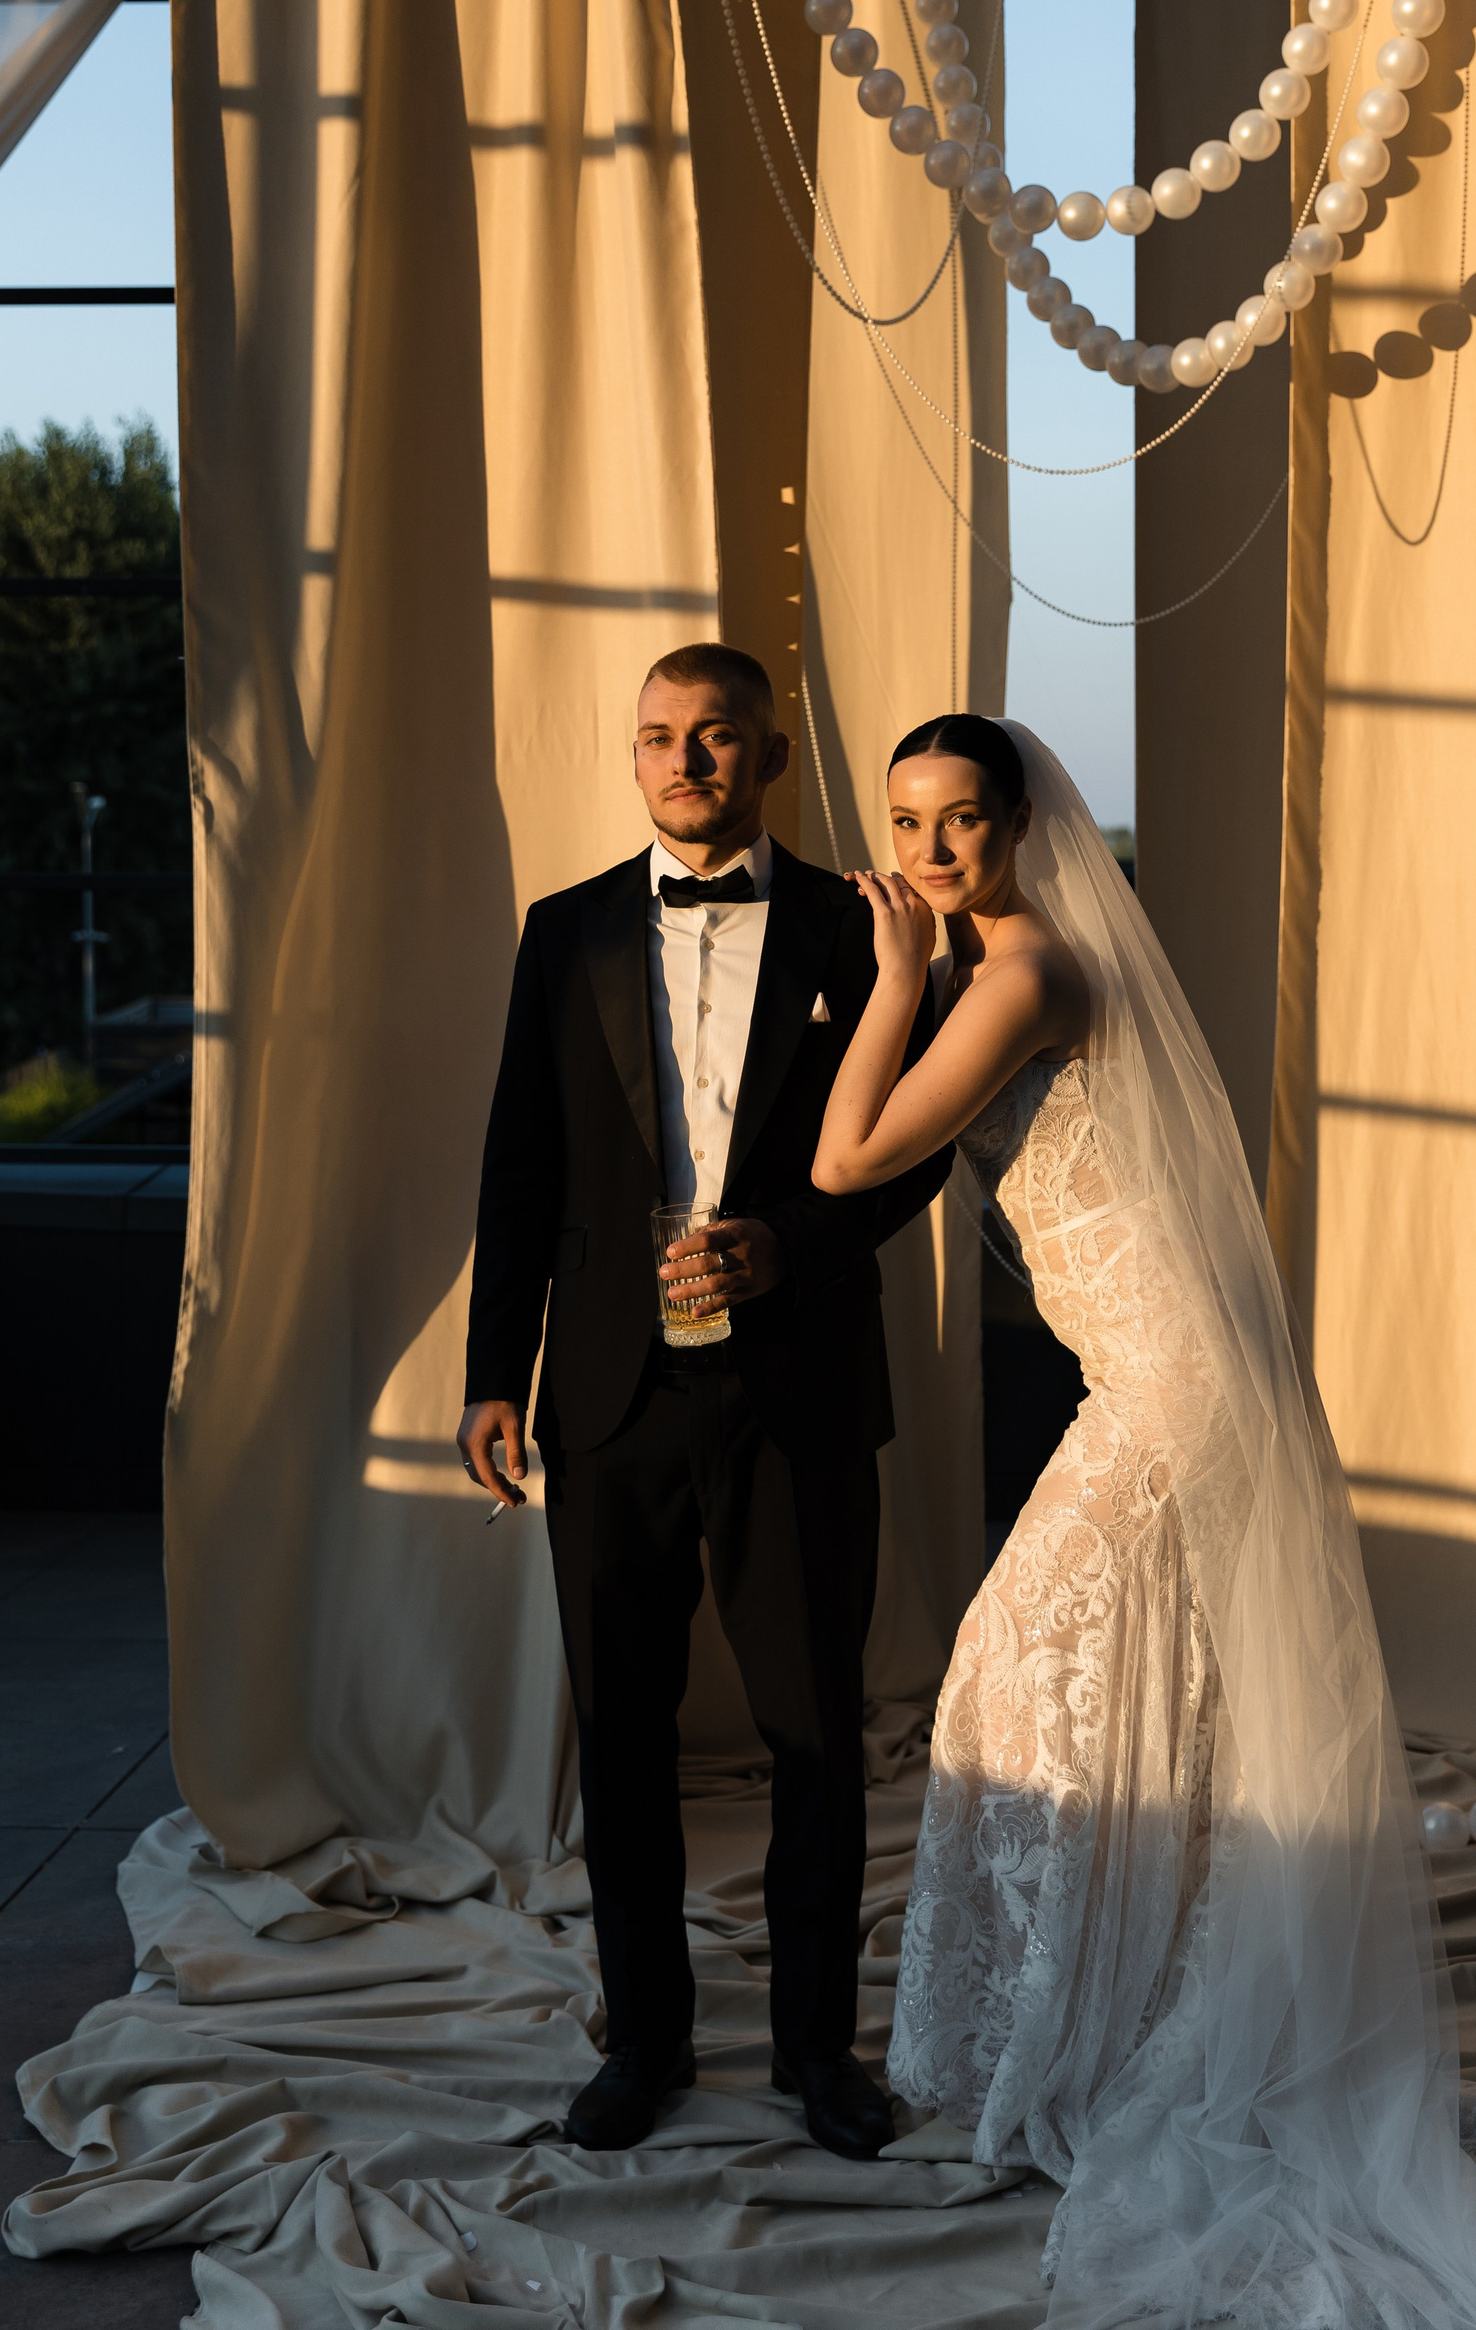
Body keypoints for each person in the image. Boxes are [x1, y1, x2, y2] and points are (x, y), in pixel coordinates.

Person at [810, 712, 1476, 2330]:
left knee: (1022, 1667)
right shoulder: (1000, 963)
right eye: (906, 822)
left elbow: (849, 1162)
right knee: (1108, 1693)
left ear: (1019, 826)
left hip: (1173, 1380)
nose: (928, 852)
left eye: (961, 820)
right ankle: (1110, 2016)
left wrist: (890, 973)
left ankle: (1093, 2037)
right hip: (1150, 1370)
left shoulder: (1022, 971)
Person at [456, 645, 952, 2163]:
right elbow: (521, 1164)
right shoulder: (566, 931)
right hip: (609, 1395)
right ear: (633, 756)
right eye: (659, 737)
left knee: (816, 1735)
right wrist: (495, 1372)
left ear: (771, 755)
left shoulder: (863, 929)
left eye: (717, 735)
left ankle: (819, 2053)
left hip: (800, 1382)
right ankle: (647, 2043)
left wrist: (787, 1241)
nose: (684, 761)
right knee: (621, 1732)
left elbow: (921, 1146)